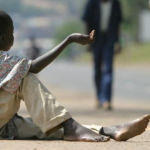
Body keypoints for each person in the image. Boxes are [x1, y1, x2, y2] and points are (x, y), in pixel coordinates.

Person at [0, 10, 149, 142]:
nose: (13, 36)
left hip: (5, 125)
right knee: (25, 77)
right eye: (12, 32)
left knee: (50, 126)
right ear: (2, 38)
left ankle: (110, 130)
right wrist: (68, 40)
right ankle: (73, 128)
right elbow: (34, 67)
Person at [82, 0, 123, 110]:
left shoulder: (115, 3)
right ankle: (99, 97)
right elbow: (86, 21)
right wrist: (88, 41)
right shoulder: (92, 3)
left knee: (108, 69)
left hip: (110, 39)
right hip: (96, 40)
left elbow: (118, 23)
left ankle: (107, 100)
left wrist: (118, 42)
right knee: (97, 69)